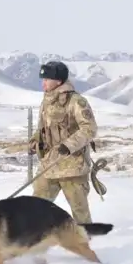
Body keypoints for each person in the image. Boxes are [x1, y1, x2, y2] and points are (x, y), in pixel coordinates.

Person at [29, 60, 98, 223]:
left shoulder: (76, 101)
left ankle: (84, 242)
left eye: (46, 79)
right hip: (49, 164)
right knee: (35, 207)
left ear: (58, 81)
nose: (43, 83)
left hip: (72, 167)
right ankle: (32, 241)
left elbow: (90, 128)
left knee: (79, 211)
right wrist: (35, 141)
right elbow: (43, 127)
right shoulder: (46, 100)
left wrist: (68, 146)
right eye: (43, 79)